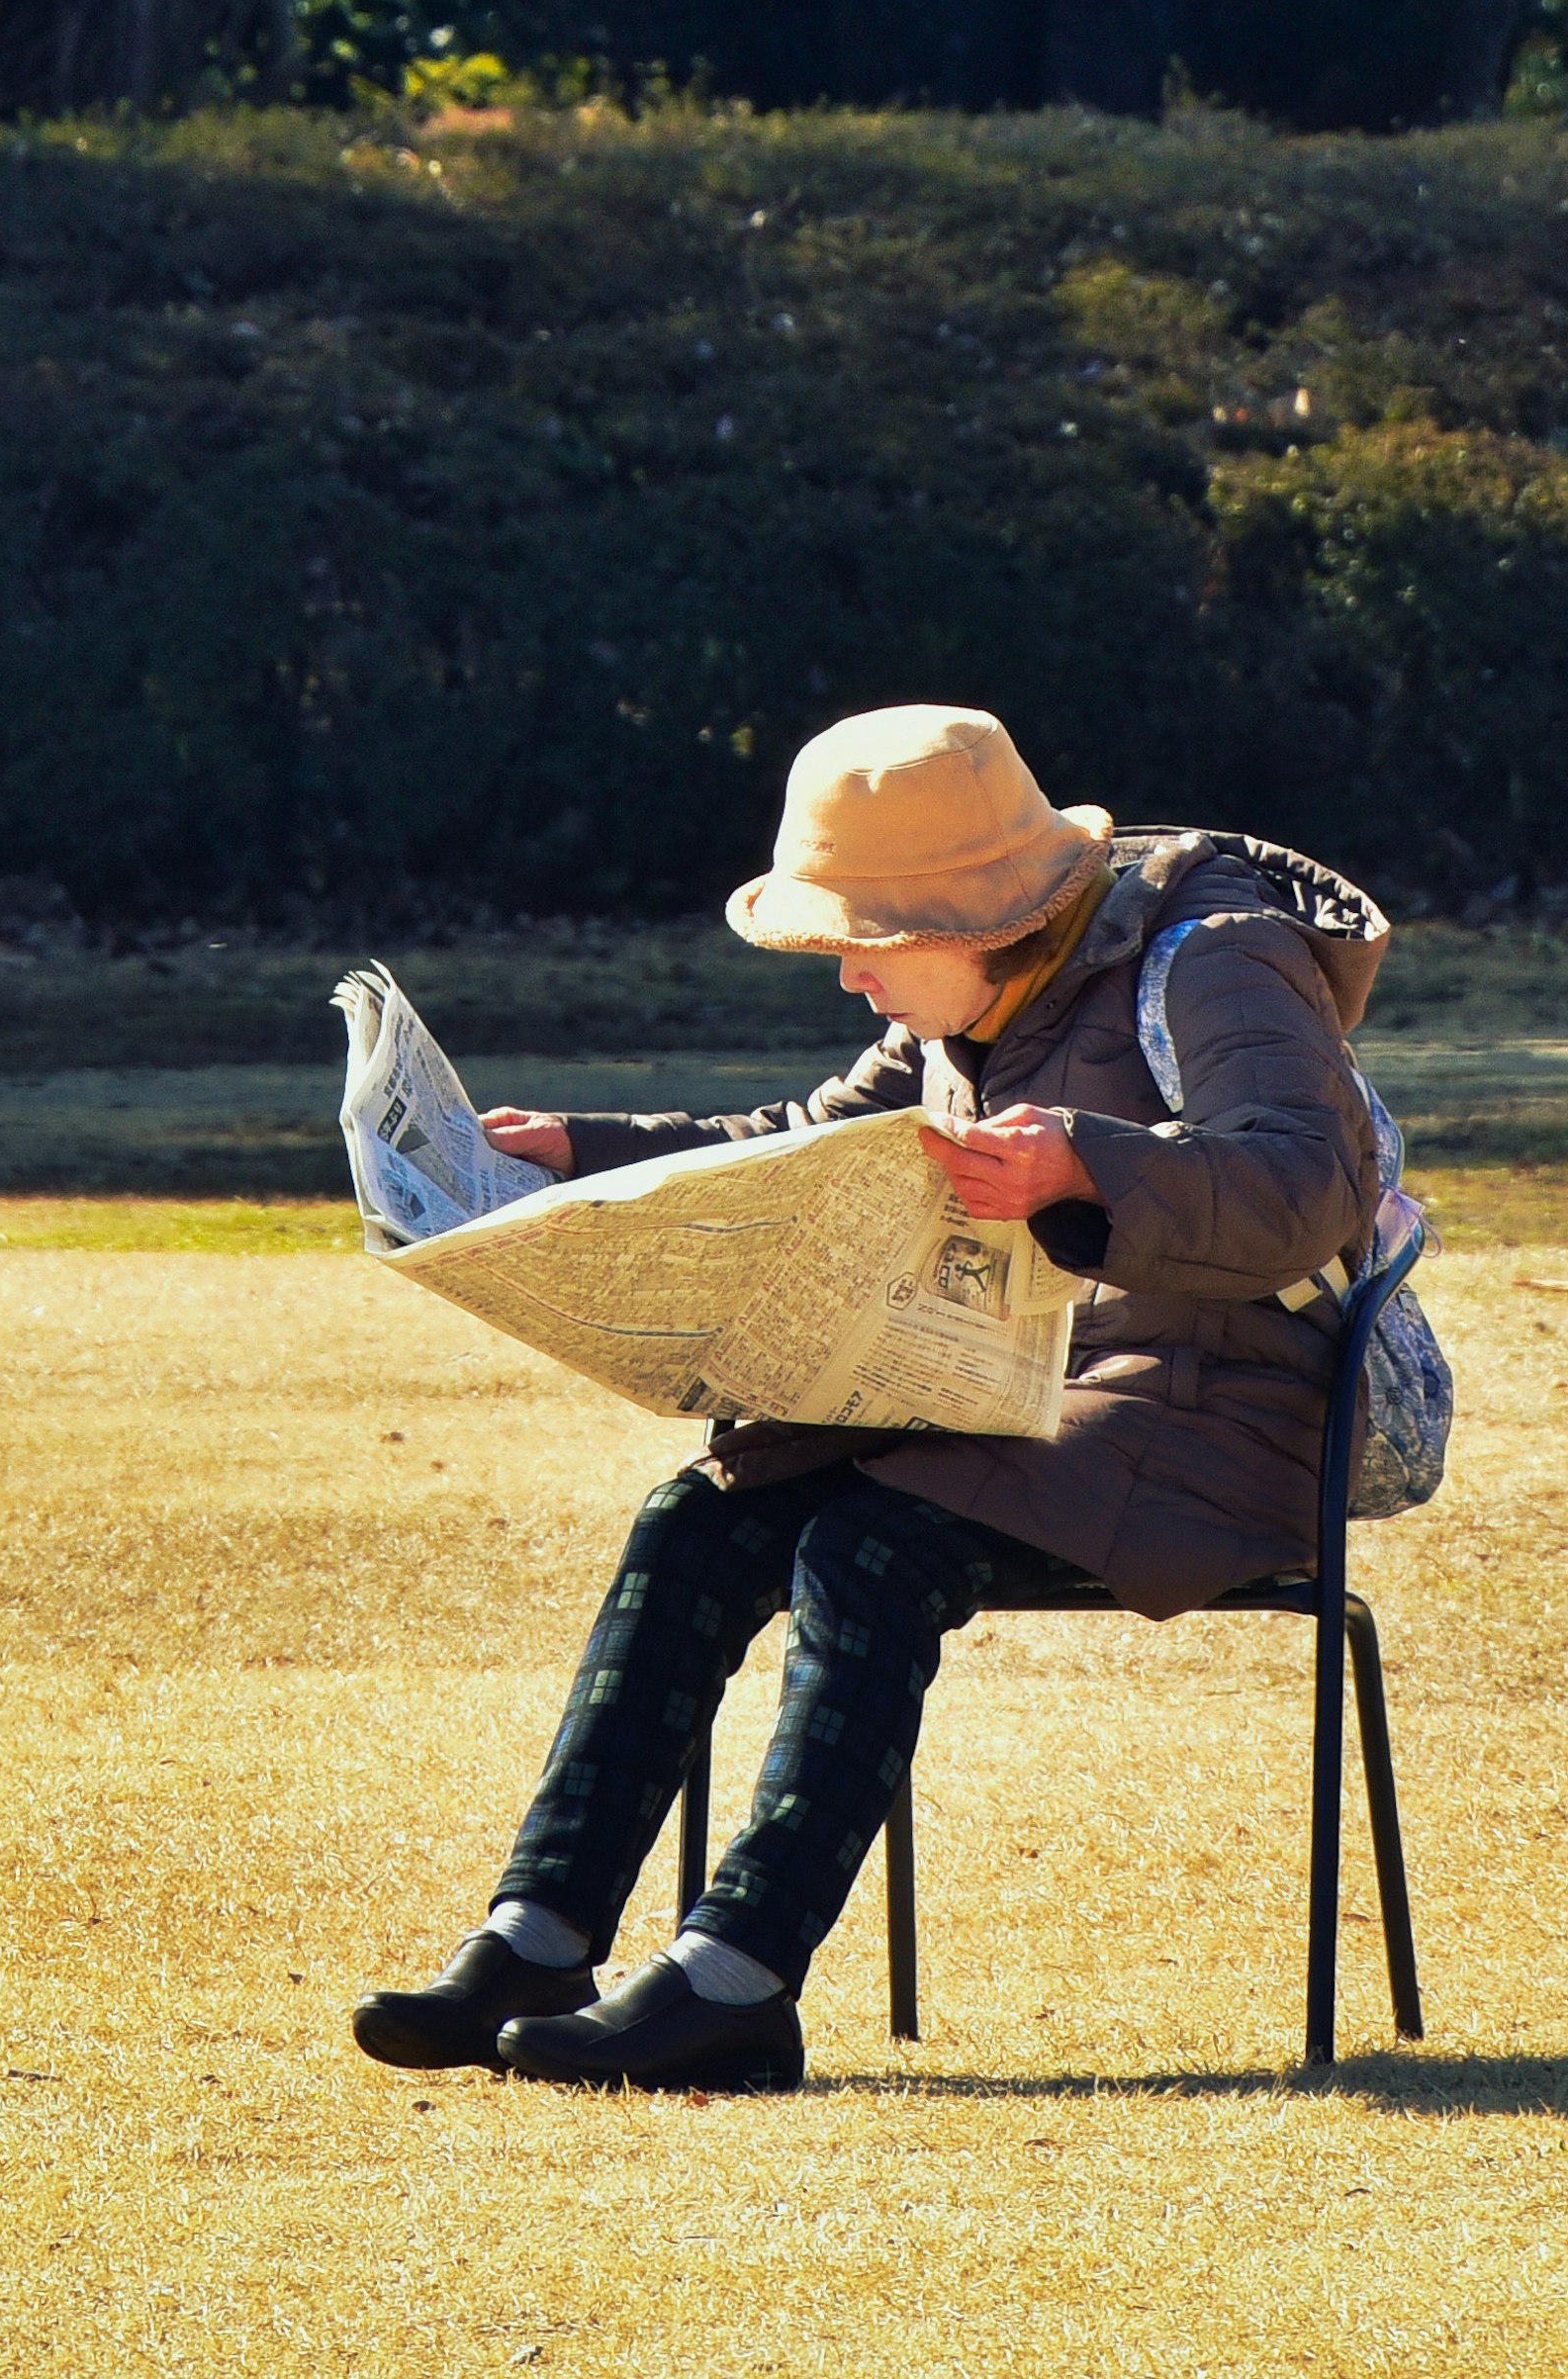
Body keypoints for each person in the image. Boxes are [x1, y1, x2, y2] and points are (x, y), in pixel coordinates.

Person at [351, 698, 1392, 2097]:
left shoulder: (1219, 956)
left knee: (870, 1546)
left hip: (1215, 1418)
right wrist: (574, 1157)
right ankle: (536, 1937)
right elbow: (807, 1139)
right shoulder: (966, 998)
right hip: (1013, 1398)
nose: (847, 977)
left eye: (864, 941)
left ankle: (737, 1978)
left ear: (973, 918)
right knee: (699, 1518)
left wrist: (1082, 1166)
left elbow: (1307, 1185)